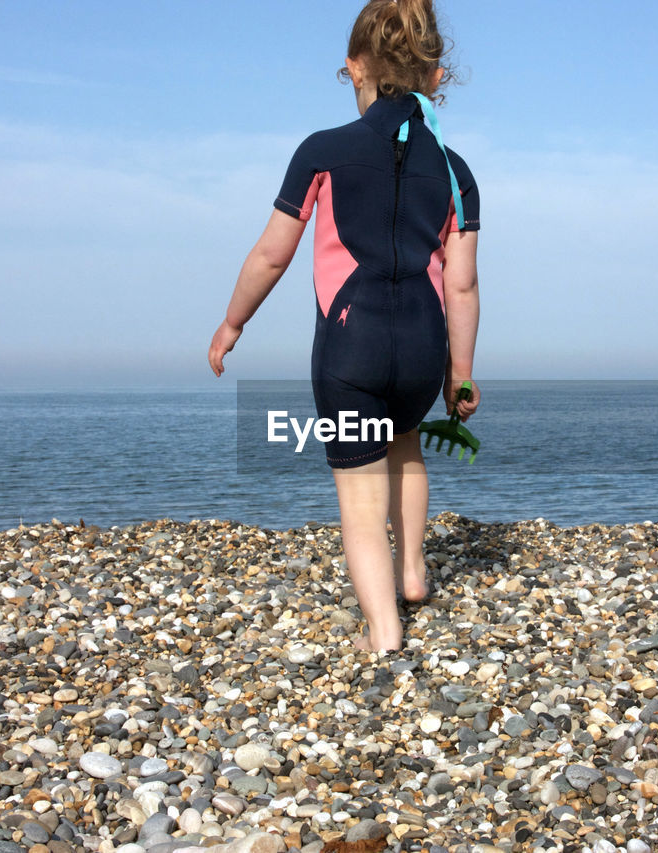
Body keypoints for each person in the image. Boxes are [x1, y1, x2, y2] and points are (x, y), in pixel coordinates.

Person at [208, 0, 481, 651]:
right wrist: (461, 374)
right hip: (423, 348)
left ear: (355, 68)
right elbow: (462, 283)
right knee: (406, 444)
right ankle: (412, 573)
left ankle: (383, 632)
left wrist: (231, 322)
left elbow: (271, 253)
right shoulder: (456, 172)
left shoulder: (322, 152)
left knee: (360, 497)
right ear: (436, 77)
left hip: (349, 352)